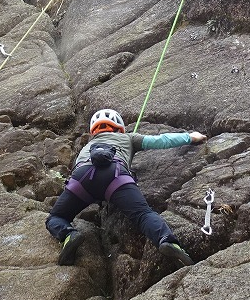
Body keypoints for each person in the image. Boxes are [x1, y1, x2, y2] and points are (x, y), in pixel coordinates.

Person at [46, 108, 207, 266]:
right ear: (119, 127)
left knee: (56, 217)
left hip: (82, 179)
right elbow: (161, 140)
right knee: (143, 214)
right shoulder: (128, 137)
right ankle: (167, 241)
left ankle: (68, 234)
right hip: (116, 177)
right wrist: (190, 137)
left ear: (93, 130)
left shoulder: (86, 147)